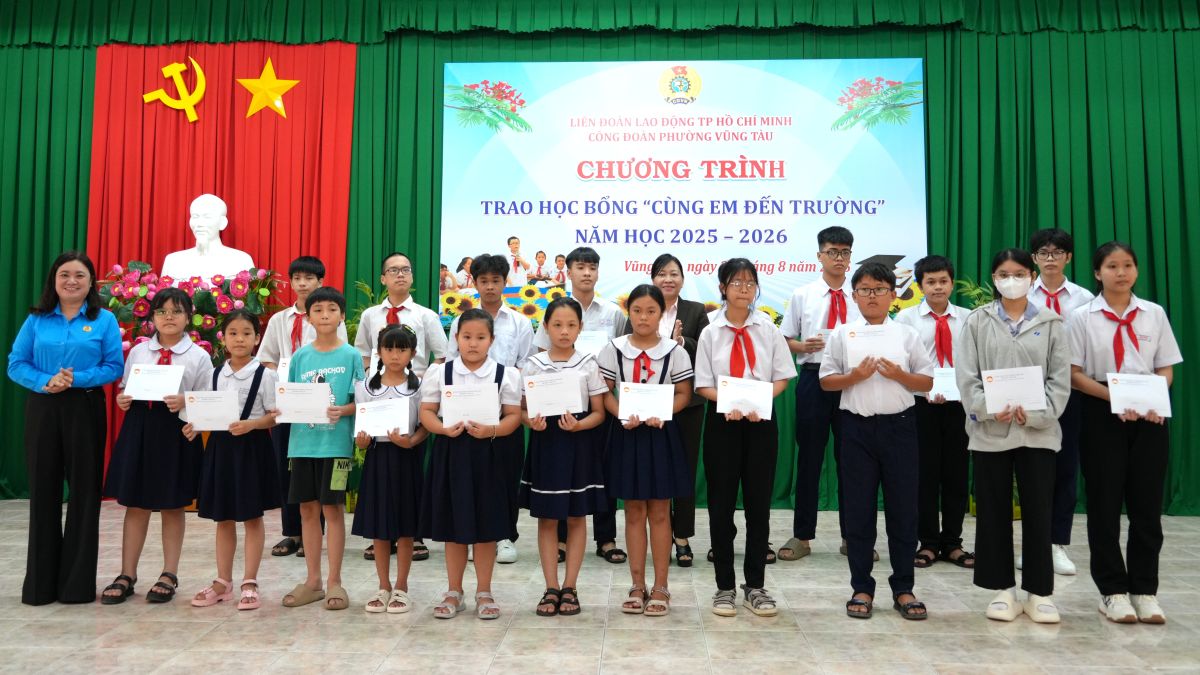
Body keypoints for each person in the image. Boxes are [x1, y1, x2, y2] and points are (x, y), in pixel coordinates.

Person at [1069, 242, 1182, 624]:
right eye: (1112, 266)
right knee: (1104, 505)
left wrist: (1155, 394)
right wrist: (1115, 397)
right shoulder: (1081, 316)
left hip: (1150, 415)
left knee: (1147, 507)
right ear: (1097, 273)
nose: (1121, 272)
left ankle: (1145, 590)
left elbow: (1166, 367)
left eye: (1128, 265)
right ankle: (1112, 591)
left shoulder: (1154, 314)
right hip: (1101, 410)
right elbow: (1074, 374)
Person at [957, 248, 1071, 623]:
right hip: (990, 433)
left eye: (1019, 273)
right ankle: (1001, 589)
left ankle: (1039, 592)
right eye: (1004, 273)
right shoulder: (976, 321)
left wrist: (1037, 414)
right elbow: (968, 379)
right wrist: (990, 409)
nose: (1012, 279)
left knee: (1039, 511)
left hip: (1037, 434)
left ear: (1031, 276)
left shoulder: (1053, 323)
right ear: (994, 278)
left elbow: (1059, 380)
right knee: (992, 511)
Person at [8, 251, 123, 605]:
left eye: (80, 275)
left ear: (91, 283)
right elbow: (16, 363)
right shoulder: (37, 320)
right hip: (43, 406)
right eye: (64, 275)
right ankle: (40, 585)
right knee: (43, 490)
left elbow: (113, 366)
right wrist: (46, 381)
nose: (71, 281)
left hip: (85, 406)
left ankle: (76, 585)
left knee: (85, 493)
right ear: (53, 281)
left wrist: (75, 379)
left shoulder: (103, 320)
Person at [821, 262, 933, 620]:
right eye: (865, 290)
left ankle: (904, 587)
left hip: (900, 428)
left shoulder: (907, 335)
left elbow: (927, 382)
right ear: (854, 296)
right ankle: (861, 587)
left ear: (892, 295)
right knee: (859, 511)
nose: (872, 296)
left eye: (880, 289)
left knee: (903, 509)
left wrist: (900, 375)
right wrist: (854, 376)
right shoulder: (842, 334)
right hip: (855, 429)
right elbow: (826, 381)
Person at [694, 259, 795, 617]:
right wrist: (728, 402)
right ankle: (724, 587)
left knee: (758, 506)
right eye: (736, 282)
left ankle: (756, 585)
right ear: (722, 287)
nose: (744, 288)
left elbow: (783, 375)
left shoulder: (767, 329)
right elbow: (702, 383)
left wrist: (762, 399)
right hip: (722, 423)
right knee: (720, 507)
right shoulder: (710, 331)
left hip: (760, 423)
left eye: (750, 282)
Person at [101, 287, 214, 604]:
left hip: (175, 432)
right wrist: (123, 400)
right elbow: (126, 389)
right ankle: (127, 573)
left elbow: (207, 400)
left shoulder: (198, 356)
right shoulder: (139, 352)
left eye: (176, 311)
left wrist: (185, 401)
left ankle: (169, 573)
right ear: (151, 316)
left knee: (172, 504)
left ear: (189, 316)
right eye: (162, 311)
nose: (169, 317)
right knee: (135, 503)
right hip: (140, 429)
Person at [419, 308, 523, 619]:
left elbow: (514, 416)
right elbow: (427, 411)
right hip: (451, 453)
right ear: (457, 338)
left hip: (489, 455)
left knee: (486, 526)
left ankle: (484, 591)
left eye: (480, 337)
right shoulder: (440, 373)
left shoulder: (506, 374)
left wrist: (492, 430)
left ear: (491, 340)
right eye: (466, 337)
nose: (473, 343)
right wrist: (441, 429)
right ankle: (454, 591)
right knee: (454, 525)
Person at [598, 284, 694, 617]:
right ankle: (637, 585)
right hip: (626, 434)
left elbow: (684, 393)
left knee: (660, 511)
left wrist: (663, 412)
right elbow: (603, 392)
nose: (643, 317)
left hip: (660, 435)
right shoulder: (613, 348)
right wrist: (621, 413)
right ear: (629, 313)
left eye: (651, 311)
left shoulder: (674, 351)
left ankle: (662, 586)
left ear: (661, 314)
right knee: (634, 510)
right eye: (637, 310)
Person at [534, 246, 628, 564]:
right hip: (559, 404)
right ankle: (561, 539)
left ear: (598, 273)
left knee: (603, 469)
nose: (586, 272)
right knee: (562, 471)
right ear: (569, 272)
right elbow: (539, 355)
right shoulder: (555, 310)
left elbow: (621, 356)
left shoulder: (613, 313)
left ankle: (606, 538)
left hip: (600, 400)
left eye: (592, 267)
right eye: (580, 267)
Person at [354, 252, 448, 562]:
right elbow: (364, 356)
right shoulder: (370, 315)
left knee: (411, 465)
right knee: (379, 464)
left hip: (414, 393)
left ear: (412, 277)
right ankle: (382, 532)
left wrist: (426, 386)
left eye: (405, 270)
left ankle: (413, 533)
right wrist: (369, 387)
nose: (400, 275)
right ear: (383, 278)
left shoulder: (425, 315)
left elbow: (441, 356)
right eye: (393, 271)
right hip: (378, 393)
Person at [185, 310, 281, 610]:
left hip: (252, 448)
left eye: (247, 333)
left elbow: (275, 417)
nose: (240, 339)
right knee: (222, 517)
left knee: (252, 516)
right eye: (233, 333)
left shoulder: (266, 375)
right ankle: (223, 581)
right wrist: (194, 424)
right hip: (220, 449)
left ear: (257, 338)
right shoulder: (214, 374)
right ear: (223, 338)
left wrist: (252, 424)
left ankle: (250, 581)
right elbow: (204, 410)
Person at [520, 298, 609, 616]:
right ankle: (550, 587)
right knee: (547, 518)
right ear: (545, 327)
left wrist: (579, 425)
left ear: (581, 328)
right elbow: (522, 410)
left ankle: (570, 586)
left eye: (571, 324)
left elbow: (599, 413)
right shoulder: (533, 364)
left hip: (579, 447)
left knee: (576, 517)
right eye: (557, 324)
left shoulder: (587, 362)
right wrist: (530, 420)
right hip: (547, 446)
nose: (564, 331)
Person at [279, 287, 364, 611]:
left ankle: (334, 582)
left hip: (337, 446)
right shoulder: (300, 357)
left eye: (331, 309)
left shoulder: (351, 355)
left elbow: (363, 400)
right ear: (309, 316)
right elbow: (290, 397)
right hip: (302, 446)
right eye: (318, 310)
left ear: (341, 316)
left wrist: (343, 410)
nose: (325, 315)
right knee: (307, 510)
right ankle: (312, 580)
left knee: (333, 510)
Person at [779, 226, 862, 561]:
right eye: (832, 252)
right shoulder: (803, 295)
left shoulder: (861, 293)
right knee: (810, 459)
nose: (838, 258)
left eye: (844, 252)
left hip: (852, 381)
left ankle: (853, 536)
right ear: (819, 256)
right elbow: (785, 340)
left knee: (853, 461)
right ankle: (802, 536)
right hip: (813, 378)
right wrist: (803, 345)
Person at [446, 253, 534, 564]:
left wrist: (507, 393)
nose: (490, 287)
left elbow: (526, 364)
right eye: (484, 281)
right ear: (475, 283)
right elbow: (449, 363)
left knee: (504, 477)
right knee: (470, 477)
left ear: (504, 282)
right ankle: (471, 536)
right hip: (467, 408)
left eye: (496, 281)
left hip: (505, 407)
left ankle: (505, 536)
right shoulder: (461, 320)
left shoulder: (520, 321)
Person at [257, 256, 347, 558]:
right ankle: (292, 533)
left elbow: (339, 361)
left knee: (320, 471)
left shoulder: (330, 316)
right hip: (287, 403)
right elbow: (266, 357)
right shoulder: (278, 320)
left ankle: (317, 533)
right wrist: (281, 382)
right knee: (288, 469)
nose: (303, 283)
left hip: (321, 404)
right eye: (297, 278)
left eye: (310, 278)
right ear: (292, 282)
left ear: (320, 282)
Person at [628, 253, 710, 567]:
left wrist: (681, 341)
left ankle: (682, 536)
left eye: (674, 273)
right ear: (653, 279)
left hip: (685, 404)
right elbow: (627, 346)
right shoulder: (640, 308)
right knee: (650, 468)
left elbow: (703, 348)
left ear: (683, 279)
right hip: (644, 403)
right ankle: (649, 535)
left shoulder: (695, 310)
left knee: (684, 470)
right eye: (662, 273)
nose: (668, 279)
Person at [894, 255, 974, 570]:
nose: (938, 287)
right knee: (924, 475)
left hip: (959, 406)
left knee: (955, 474)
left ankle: (952, 543)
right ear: (920, 285)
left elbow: (974, 363)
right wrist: (924, 389)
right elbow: (901, 364)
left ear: (952, 283)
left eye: (943, 281)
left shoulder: (969, 319)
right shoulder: (906, 320)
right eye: (931, 282)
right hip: (920, 403)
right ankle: (927, 543)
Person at [1025, 228, 1094, 576]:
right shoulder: (1021, 294)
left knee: (1065, 468)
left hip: (1068, 391)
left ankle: (1057, 544)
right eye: (1043, 252)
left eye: (1057, 252)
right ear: (1034, 258)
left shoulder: (1084, 300)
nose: (1050, 258)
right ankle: (1030, 545)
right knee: (1029, 468)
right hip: (1026, 391)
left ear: (1068, 257)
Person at [354, 325, 429, 614]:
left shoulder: (419, 387)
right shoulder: (366, 387)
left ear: (412, 352)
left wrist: (410, 442)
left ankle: (402, 586)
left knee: (405, 527)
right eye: (389, 348)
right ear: (379, 351)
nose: (395, 355)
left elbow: (425, 426)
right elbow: (362, 432)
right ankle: (383, 585)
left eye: (401, 349)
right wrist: (362, 442)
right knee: (380, 528)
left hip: (406, 460)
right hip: (377, 458)